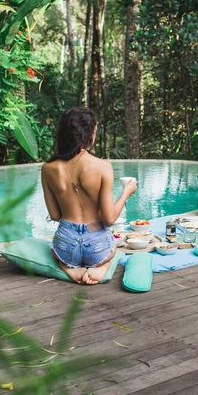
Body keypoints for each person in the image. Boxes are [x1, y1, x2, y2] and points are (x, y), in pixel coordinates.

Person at [41, 107, 137, 285]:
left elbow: (55, 215)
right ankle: (100, 267)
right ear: (89, 136)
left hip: (65, 246)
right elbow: (108, 219)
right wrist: (126, 192)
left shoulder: (48, 169)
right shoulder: (103, 166)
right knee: (114, 247)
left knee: (55, 251)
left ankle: (69, 267)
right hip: (97, 248)